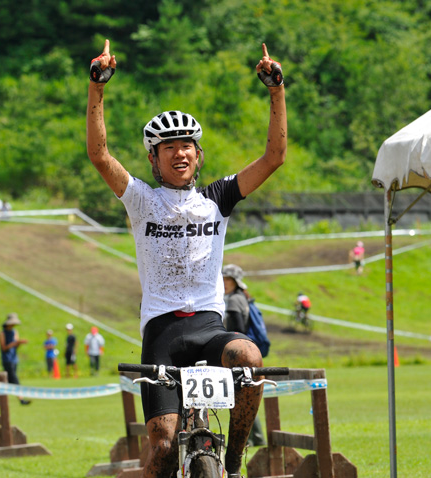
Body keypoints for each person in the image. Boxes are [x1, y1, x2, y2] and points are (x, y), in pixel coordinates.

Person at [86, 39, 286, 477]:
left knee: (250, 361)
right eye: (168, 147)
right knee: (160, 450)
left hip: (209, 327)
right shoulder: (141, 199)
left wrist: (276, 92)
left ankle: (233, 460)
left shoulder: (218, 198)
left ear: (198, 155)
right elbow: (99, 155)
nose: (179, 152)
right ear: (155, 159)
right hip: (162, 331)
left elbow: (274, 158)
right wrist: (97, 87)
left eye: (187, 146)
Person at [221, 264, 266, 447]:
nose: (224, 283)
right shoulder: (241, 298)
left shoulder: (233, 301)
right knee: (244, 397)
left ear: (235, 283)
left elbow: (237, 329)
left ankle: (248, 439)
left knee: (240, 398)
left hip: (237, 354)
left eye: (228, 280)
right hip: (246, 352)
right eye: (223, 279)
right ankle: (256, 438)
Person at [0, 313, 30, 405]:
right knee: (14, 379)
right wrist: (15, 343)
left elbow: (15, 347)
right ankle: (21, 399)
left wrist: (19, 343)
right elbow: (4, 348)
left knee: (7, 380)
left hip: (14, 359)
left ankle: (0, 400)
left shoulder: (15, 332)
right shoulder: (2, 333)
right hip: (7, 359)